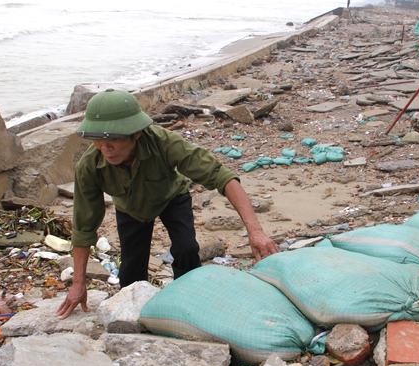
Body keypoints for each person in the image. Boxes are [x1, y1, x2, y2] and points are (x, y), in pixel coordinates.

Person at [56, 88, 279, 319]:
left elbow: (222, 176)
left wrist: (256, 231)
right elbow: (84, 227)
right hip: (130, 208)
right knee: (131, 272)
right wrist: (78, 283)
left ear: (137, 133)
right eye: (98, 140)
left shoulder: (164, 143)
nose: (106, 148)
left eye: (115, 138)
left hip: (171, 196)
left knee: (186, 250)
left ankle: (189, 300)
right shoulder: (89, 166)